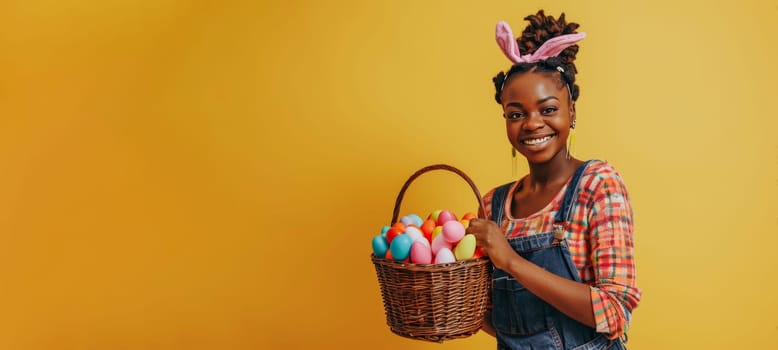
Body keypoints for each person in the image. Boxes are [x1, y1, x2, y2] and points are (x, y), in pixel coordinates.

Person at [466, 10, 642, 349]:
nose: (531, 124)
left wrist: (511, 261)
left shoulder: (597, 185)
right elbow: (490, 314)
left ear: (571, 112)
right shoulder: (492, 206)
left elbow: (615, 311)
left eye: (547, 109)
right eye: (516, 114)